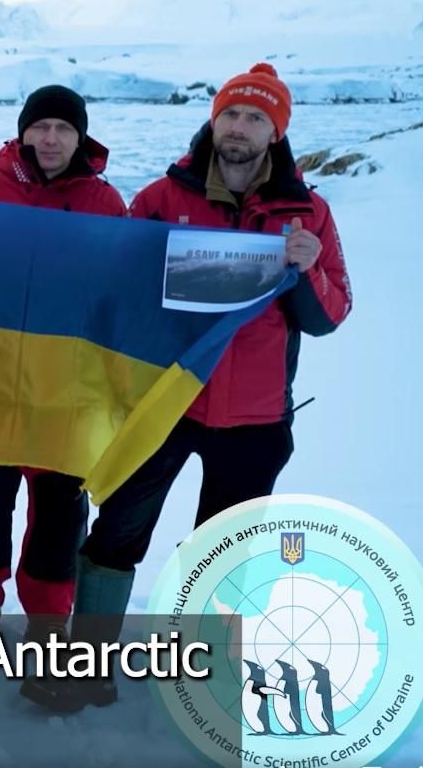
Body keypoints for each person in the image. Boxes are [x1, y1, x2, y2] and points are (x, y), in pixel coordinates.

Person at [32, 63, 351, 714]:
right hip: (162, 404)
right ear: (213, 119)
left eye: (254, 117)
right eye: (230, 113)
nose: (238, 127)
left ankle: (209, 678)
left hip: (256, 417)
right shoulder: (160, 197)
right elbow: (112, 290)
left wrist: (308, 268)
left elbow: (329, 316)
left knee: (224, 550)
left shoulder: (306, 213)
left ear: (275, 130)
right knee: (115, 531)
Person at [0, 87, 126, 664]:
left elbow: (122, 287)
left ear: (82, 138)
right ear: (22, 132)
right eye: (40, 127)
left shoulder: (104, 202)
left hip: (67, 390)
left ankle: (49, 619)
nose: (50, 139)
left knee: (58, 510)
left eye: (63, 129)